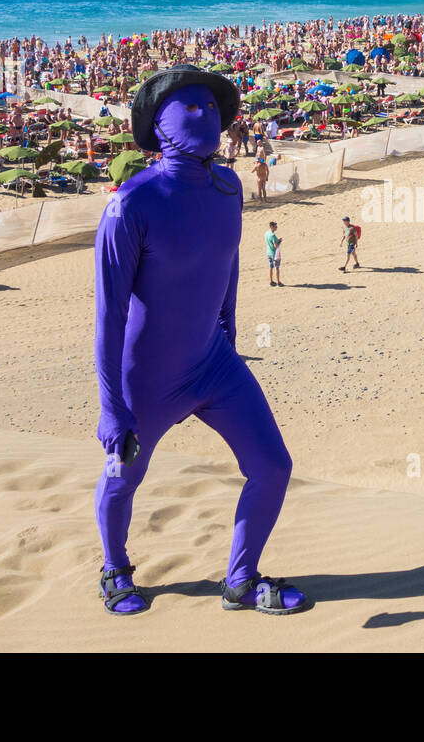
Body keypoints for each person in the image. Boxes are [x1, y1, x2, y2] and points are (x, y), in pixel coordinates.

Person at [93, 66, 306, 617]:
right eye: (189, 107)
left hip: (214, 364)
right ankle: (114, 569)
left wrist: (230, 332)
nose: (206, 113)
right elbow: (108, 314)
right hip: (148, 378)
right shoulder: (129, 206)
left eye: (212, 106)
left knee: (273, 467)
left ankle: (241, 579)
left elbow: (229, 260)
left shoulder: (229, 186)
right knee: (121, 477)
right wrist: (112, 407)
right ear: (158, 125)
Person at [265, 220, 282, 287]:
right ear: (272, 227)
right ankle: (278, 282)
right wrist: (280, 241)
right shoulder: (273, 235)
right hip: (274, 253)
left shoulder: (266, 233)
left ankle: (271, 281)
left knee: (271, 267)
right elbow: (276, 246)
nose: (276, 227)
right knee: (277, 267)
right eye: (275, 226)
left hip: (269, 252)